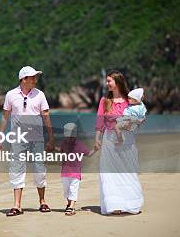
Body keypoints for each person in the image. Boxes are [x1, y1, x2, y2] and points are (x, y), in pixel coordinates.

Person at [0, 66, 55, 217]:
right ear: (23, 79)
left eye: (36, 77)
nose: (35, 80)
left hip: (37, 139)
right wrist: (0, 135)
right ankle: (17, 206)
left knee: (39, 169)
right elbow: (5, 116)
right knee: (16, 169)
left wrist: (51, 137)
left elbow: (46, 116)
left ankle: (42, 202)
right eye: (32, 77)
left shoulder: (40, 95)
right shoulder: (11, 95)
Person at [94, 70, 144, 215]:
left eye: (109, 81)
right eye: (107, 81)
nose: (107, 83)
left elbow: (139, 118)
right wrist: (97, 139)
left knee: (127, 172)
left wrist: (132, 124)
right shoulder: (105, 101)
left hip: (127, 141)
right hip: (109, 141)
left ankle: (131, 204)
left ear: (118, 82)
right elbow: (99, 121)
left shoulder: (131, 101)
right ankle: (114, 205)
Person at [55, 123, 97, 216]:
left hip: (75, 173)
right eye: (68, 137)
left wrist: (95, 149)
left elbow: (89, 154)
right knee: (66, 191)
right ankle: (69, 204)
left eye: (71, 137)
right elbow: (61, 150)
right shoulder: (64, 143)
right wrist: (53, 148)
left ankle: (71, 207)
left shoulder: (79, 145)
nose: (69, 139)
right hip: (65, 172)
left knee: (73, 189)